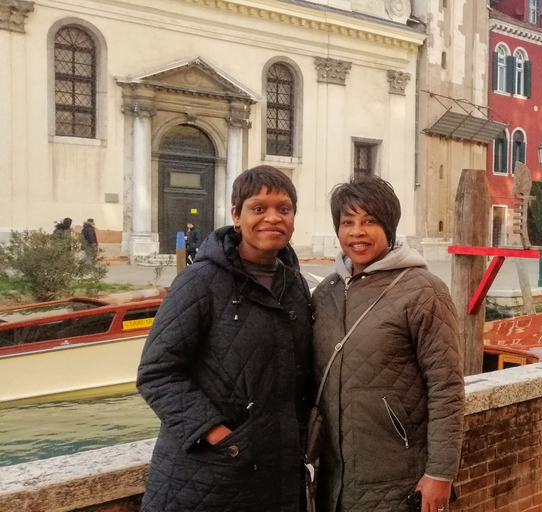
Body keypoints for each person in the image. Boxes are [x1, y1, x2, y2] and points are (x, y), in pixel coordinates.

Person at [137, 165, 313, 512]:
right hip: (209, 474)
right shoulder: (199, 281)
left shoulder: (294, 285)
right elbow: (157, 373)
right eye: (258, 208)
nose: (272, 218)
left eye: (284, 209)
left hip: (276, 473)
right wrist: (218, 435)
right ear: (236, 215)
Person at [312, 176, 464, 512]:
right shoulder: (326, 294)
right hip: (333, 479)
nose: (357, 232)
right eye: (347, 222)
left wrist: (441, 473)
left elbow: (447, 388)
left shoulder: (424, 291)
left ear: (389, 227)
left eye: (369, 221)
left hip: (398, 478)